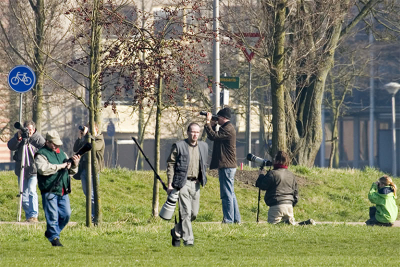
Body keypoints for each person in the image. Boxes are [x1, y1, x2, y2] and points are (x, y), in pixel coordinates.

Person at [35, 130, 80, 247]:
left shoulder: (62, 154)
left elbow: (71, 172)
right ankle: (55, 239)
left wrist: (74, 164)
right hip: (49, 189)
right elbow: (42, 169)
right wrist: (61, 166)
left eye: (57, 144)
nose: (56, 146)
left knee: (66, 215)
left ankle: (51, 233)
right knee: (52, 216)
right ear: (47, 142)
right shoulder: (41, 154)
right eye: (53, 143)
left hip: (63, 189)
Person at [167, 122, 208, 247]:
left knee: (193, 213)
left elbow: (204, 164)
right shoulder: (179, 146)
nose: (195, 134)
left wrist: (202, 178)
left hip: (196, 184)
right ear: (188, 132)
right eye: (193, 132)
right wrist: (170, 184)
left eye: (197, 132)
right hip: (182, 183)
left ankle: (176, 231)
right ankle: (188, 240)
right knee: (185, 212)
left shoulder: (204, 146)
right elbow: (170, 164)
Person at [256, 151, 314, 225]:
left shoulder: (272, 173)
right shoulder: (291, 175)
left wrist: (261, 175)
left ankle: (287, 223)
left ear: (276, 161)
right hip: (289, 205)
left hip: (276, 206)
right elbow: (296, 193)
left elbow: (262, 186)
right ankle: (305, 223)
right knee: (290, 228)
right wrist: (291, 204)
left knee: (273, 226)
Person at [205, 107, 241, 224]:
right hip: (229, 165)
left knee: (226, 194)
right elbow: (216, 135)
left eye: (218, 117)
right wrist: (213, 124)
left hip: (227, 166)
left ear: (223, 117)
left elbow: (214, 136)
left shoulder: (228, 129)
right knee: (231, 193)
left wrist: (207, 123)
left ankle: (229, 220)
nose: (217, 119)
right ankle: (236, 219)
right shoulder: (227, 128)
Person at [7, 120, 45, 222]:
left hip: (33, 169)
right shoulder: (20, 137)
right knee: (23, 194)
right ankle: (29, 217)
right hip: (21, 169)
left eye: (31, 129)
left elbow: (45, 150)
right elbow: (10, 146)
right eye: (27, 129)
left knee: (32, 191)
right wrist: (17, 138)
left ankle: (34, 215)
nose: (29, 132)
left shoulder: (38, 138)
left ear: (34, 129)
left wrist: (31, 147)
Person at [73, 123, 105, 221]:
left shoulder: (99, 139)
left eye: (91, 129)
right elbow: (76, 149)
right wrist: (80, 138)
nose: (89, 131)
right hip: (84, 169)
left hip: (93, 171)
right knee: (87, 193)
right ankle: (91, 216)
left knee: (92, 195)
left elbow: (92, 147)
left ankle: (95, 216)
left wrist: (87, 136)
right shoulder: (86, 138)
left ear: (96, 129)